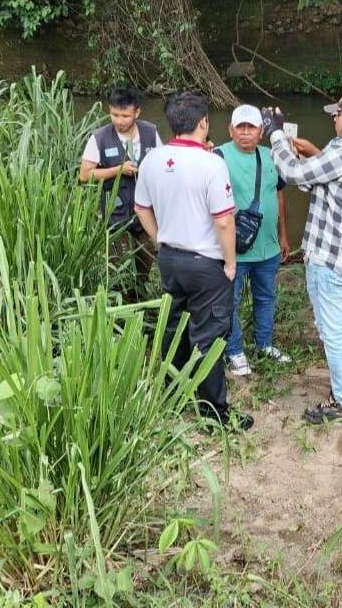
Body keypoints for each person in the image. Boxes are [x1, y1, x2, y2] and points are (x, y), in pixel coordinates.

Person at [134, 91, 253, 432]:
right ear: (203, 122)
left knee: (174, 328)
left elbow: (141, 207)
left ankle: (174, 394)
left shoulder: (152, 159)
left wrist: (161, 240)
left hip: (170, 259)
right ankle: (214, 411)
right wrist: (230, 263)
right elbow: (224, 221)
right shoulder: (211, 163)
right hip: (205, 263)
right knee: (210, 335)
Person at [265, 89, 342, 425]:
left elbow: (292, 176)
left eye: (338, 114)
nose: (333, 117)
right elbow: (317, 182)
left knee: (333, 331)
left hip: (330, 257)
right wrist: (300, 156)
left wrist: (276, 134)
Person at [214, 104, 293, 376]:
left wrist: (283, 234)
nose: (246, 133)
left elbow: (280, 195)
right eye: (240, 127)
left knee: (266, 297)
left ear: (262, 131)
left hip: (268, 247)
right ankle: (234, 351)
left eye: (252, 127)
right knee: (229, 301)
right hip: (233, 250)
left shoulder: (273, 156)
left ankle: (264, 344)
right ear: (230, 130)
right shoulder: (217, 156)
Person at [78, 86, 160, 299]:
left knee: (144, 268)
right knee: (119, 273)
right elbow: (85, 175)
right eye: (114, 114)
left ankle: (141, 305)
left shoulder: (151, 132)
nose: (119, 121)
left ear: (137, 113)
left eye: (125, 115)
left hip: (146, 218)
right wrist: (117, 170)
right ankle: (120, 310)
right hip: (115, 220)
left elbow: (165, 164)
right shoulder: (99, 138)